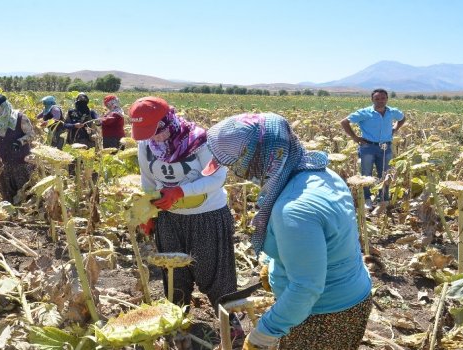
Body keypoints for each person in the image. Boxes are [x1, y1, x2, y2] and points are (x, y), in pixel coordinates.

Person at [202, 113, 372, 350]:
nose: (235, 172)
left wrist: (265, 333)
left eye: (236, 164)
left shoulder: (293, 209)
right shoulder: (320, 173)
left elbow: (307, 287)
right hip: (350, 296)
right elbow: (331, 242)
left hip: (323, 316)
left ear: (260, 157)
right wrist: (274, 267)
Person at [129, 96, 243, 338]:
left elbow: (216, 178)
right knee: (174, 276)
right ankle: (178, 326)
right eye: (147, 133)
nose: (154, 137)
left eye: (156, 130)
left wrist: (181, 191)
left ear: (168, 120)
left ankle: (230, 325)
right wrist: (148, 210)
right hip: (169, 218)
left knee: (215, 274)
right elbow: (147, 180)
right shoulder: (146, 145)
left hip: (207, 216)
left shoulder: (201, 141)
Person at [340, 89, 406, 209]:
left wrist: (394, 129)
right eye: (377, 99)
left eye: (383, 98)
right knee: (366, 175)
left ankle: (384, 198)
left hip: (386, 147)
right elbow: (344, 122)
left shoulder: (392, 112)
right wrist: (355, 137)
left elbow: (402, 118)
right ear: (372, 100)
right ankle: (367, 199)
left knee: (385, 174)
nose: (380, 101)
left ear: (387, 99)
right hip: (368, 147)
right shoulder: (365, 113)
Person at [0, 94, 35, 204]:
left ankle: (24, 213)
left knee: (24, 191)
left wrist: (20, 142)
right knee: (6, 192)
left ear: (3, 105)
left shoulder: (20, 118)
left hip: (21, 161)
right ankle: (11, 215)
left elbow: (31, 134)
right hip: (3, 162)